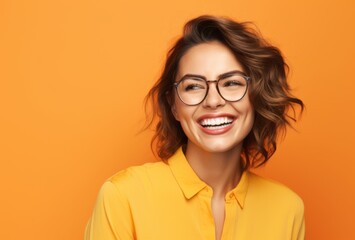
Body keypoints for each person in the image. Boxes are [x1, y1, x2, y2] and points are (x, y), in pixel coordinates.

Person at [85, 15, 305, 240]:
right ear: (173, 105)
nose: (212, 101)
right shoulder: (123, 197)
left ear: (256, 96)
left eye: (231, 83)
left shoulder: (287, 209)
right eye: (193, 86)